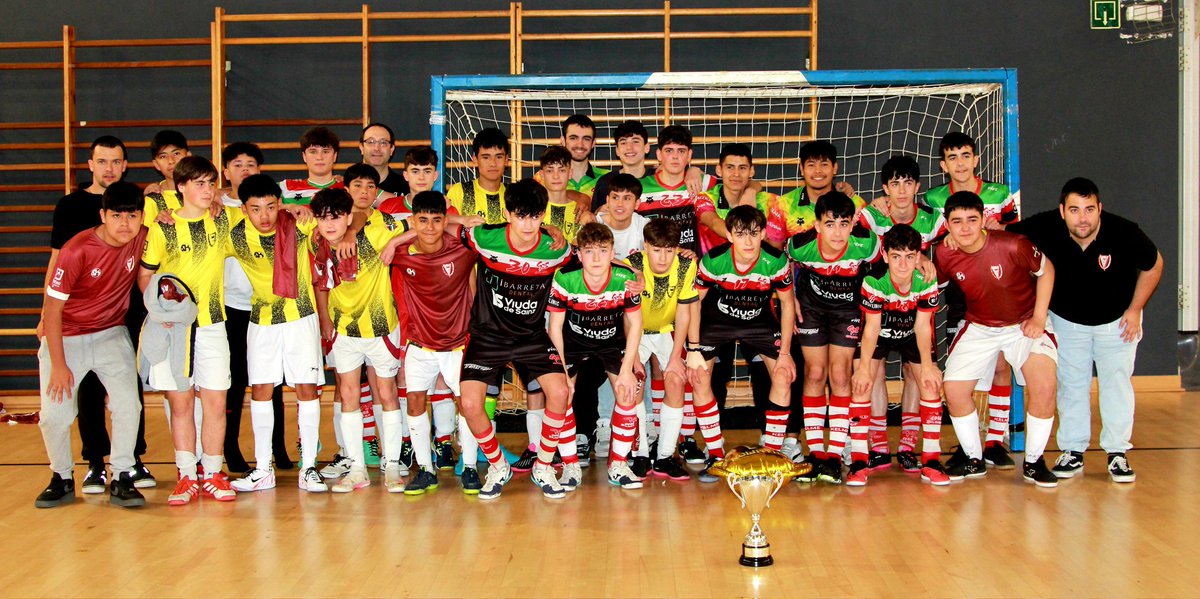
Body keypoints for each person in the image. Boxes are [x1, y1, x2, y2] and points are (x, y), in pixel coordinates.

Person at [1007, 178, 1162, 483]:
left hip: (1117, 323)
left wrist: (1135, 309)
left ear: (1099, 209)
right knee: (1071, 386)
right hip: (1067, 322)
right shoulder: (1044, 227)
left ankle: (1117, 453)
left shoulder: (1124, 231)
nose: (1083, 218)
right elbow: (1000, 235)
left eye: (1090, 209)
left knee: (1116, 386)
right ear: (1062, 211)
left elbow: (1154, 265)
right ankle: (1073, 451)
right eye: (1075, 210)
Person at [40, 136, 155, 493]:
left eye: (132, 216)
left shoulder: (144, 236)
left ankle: (122, 473)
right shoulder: (77, 251)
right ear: (102, 215)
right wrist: (59, 364)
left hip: (110, 333)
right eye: (117, 216)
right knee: (55, 416)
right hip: (67, 336)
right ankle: (61, 475)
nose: (125, 223)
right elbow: (53, 308)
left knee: (128, 405)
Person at [457, 179, 574, 500]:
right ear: (508, 213)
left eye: (536, 217)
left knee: (561, 392)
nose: (528, 224)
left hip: (531, 336)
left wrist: (632, 275)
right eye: (521, 216)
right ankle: (497, 465)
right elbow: (443, 223)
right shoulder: (484, 237)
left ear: (543, 215)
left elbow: (593, 257)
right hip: (487, 335)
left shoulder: (556, 249)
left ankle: (544, 466)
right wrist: (463, 220)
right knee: (469, 403)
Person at [934, 191, 1059, 488]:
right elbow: (932, 284)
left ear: (983, 221)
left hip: (1024, 322)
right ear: (947, 225)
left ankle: (1033, 461)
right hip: (980, 325)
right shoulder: (944, 253)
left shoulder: (1013, 244)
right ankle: (973, 459)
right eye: (957, 221)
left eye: (972, 220)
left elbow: (1047, 270)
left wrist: (1039, 318)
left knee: (1044, 386)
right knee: (952, 389)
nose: (965, 228)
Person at [138, 156, 237, 504]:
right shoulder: (162, 227)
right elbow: (146, 275)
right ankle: (185, 474)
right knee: (180, 403)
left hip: (213, 325)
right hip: (173, 330)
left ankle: (212, 473)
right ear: (180, 187)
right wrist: (159, 311)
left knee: (215, 399)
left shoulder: (222, 220)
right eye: (199, 184)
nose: (208, 190)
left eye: (211, 183)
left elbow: (260, 213)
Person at [225, 174, 326, 493]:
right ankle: (263, 468)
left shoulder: (298, 224)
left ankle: (308, 467)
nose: (264, 215)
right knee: (260, 392)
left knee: (307, 390)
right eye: (255, 209)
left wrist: (308, 211)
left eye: (270, 206)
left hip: (301, 317)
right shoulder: (235, 236)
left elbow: (336, 224)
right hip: (262, 322)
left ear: (280, 203)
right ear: (243, 209)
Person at [924, 131, 1019, 468]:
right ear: (943, 165)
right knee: (962, 364)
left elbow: (1018, 235)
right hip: (962, 290)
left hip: (1001, 285)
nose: (960, 163)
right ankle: (968, 443)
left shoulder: (1000, 194)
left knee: (1002, 364)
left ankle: (995, 440)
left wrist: (1001, 229)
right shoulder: (933, 199)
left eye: (966, 155)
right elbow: (924, 239)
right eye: (953, 157)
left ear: (976, 159)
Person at [310, 187, 409, 493]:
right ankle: (356, 468)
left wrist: (393, 243)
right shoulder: (314, 242)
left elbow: (421, 226)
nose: (330, 224)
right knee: (348, 394)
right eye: (323, 218)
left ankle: (392, 465)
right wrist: (325, 319)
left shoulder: (376, 229)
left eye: (337, 217)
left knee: (387, 392)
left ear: (349, 217)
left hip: (380, 328)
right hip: (343, 331)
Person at [688, 205, 797, 482]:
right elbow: (694, 304)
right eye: (740, 234)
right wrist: (693, 348)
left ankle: (771, 456)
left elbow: (786, 304)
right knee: (699, 377)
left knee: (784, 375)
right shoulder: (714, 260)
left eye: (753, 234)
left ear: (762, 233)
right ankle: (715, 454)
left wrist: (785, 354)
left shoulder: (775, 260)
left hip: (760, 321)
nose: (748, 241)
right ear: (729, 235)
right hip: (717, 320)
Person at [385, 191, 481, 494]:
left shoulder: (463, 249)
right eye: (422, 220)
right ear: (412, 221)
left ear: (445, 220)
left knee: (466, 404)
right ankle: (426, 469)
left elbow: (505, 234)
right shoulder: (400, 254)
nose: (429, 227)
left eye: (436, 220)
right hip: (419, 345)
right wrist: (392, 241)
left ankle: (468, 466)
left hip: (457, 345)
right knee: (414, 401)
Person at [857, 155, 946, 472]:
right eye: (895, 183)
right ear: (885, 188)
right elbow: (843, 228)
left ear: (918, 187)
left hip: (914, 307)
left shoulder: (932, 220)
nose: (902, 189)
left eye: (908, 182)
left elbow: (956, 241)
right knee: (873, 372)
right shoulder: (872, 215)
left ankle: (908, 446)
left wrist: (931, 262)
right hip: (878, 305)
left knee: (916, 372)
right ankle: (878, 446)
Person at [787, 192, 881, 484]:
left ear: (853, 224)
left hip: (847, 310)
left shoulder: (866, 242)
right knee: (814, 373)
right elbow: (783, 267)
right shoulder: (801, 245)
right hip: (812, 308)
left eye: (844, 223)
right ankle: (816, 454)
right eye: (830, 224)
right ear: (817, 226)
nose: (837, 232)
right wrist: (790, 298)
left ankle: (835, 454)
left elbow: (880, 269)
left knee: (840, 374)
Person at [848, 224, 948, 486]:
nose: (903, 264)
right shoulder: (874, 281)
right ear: (884, 254)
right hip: (880, 330)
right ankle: (862, 459)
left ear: (918, 257)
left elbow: (923, 325)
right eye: (896, 256)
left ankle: (927, 458)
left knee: (928, 382)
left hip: (912, 330)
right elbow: (871, 328)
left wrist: (927, 366)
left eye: (909, 257)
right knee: (862, 382)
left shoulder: (925, 280)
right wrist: (863, 368)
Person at [548, 223, 644, 490]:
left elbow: (635, 324)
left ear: (612, 251)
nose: (597, 258)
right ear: (579, 254)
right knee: (562, 393)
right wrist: (563, 374)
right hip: (573, 341)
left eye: (603, 251)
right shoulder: (565, 277)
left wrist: (626, 370)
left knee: (627, 391)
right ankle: (570, 466)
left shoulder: (624, 278)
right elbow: (554, 327)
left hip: (611, 340)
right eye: (589, 251)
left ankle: (618, 465)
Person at [217, 142, 291, 474]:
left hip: (271, 307)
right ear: (225, 171)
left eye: (251, 163)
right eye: (237, 164)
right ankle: (230, 449)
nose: (244, 169)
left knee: (272, 383)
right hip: (232, 307)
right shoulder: (215, 208)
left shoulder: (273, 207)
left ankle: (278, 449)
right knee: (234, 383)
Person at [625, 218, 697, 481]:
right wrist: (631, 357)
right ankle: (640, 455)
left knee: (676, 381)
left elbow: (684, 311)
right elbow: (626, 314)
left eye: (669, 250)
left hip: (667, 331)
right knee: (633, 386)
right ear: (645, 246)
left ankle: (665, 457)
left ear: (677, 249)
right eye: (657, 250)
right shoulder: (631, 264)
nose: (663, 257)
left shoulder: (686, 265)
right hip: (637, 333)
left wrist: (677, 356)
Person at [637, 125, 716, 254]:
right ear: (659, 154)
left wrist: (751, 190)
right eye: (669, 150)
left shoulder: (705, 183)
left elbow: (742, 183)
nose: (675, 156)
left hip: (695, 268)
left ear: (689, 155)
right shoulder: (640, 188)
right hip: (653, 268)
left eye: (681, 151)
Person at [446, 128, 510, 224]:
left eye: (499, 157)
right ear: (475, 160)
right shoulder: (459, 192)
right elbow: (443, 225)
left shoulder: (514, 195)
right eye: (486, 157)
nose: (493, 163)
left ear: (506, 160)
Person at [537, 145, 594, 244]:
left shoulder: (580, 210)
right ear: (542, 175)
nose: (556, 176)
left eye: (562, 170)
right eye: (550, 171)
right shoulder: (532, 209)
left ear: (570, 173)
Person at [281, 127, 343, 205]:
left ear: (335, 156)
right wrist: (287, 207)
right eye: (313, 152)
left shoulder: (349, 189)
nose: (319, 157)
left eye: (326, 151)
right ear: (304, 156)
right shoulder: (285, 188)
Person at [595, 173, 650, 260]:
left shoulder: (644, 226)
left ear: (637, 203)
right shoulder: (594, 224)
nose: (620, 204)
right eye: (615, 197)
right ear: (607, 200)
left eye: (626, 198)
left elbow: (666, 247)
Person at [558, 114, 609, 197]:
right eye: (573, 138)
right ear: (563, 141)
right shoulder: (544, 178)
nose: (580, 144)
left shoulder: (608, 179)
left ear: (593, 143)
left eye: (586, 139)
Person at [359, 122, 410, 196]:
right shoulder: (349, 185)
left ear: (391, 149)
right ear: (361, 148)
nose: (376, 148)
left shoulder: (407, 187)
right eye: (370, 142)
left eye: (383, 142)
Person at [142, 129, 191, 196]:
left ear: (188, 156)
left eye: (176, 153)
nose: (171, 161)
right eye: (163, 156)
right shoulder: (154, 197)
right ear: (156, 164)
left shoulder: (206, 192)